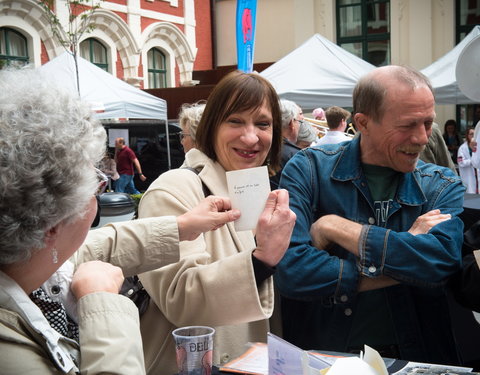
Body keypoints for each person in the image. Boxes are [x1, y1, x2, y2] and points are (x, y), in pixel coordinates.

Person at [0, 67, 241, 374]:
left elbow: (99, 245)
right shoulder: (9, 348)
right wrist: (102, 305)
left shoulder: (29, 258)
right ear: (53, 224)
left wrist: (180, 227)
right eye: (93, 181)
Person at [276, 65, 465, 364]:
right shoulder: (308, 169)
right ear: (363, 122)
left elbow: (440, 262)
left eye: (428, 123)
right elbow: (292, 272)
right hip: (324, 360)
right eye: (407, 125)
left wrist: (336, 228)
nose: (422, 138)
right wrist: (405, 250)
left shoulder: (440, 184)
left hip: (415, 361)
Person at [137, 70, 296, 374]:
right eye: (235, 121)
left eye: (263, 124)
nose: (251, 137)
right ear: (211, 127)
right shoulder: (175, 188)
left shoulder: (259, 191)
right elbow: (180, 298)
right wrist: (262, 260)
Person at [270, 99, 303, 189]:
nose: (300, 126)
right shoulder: (297, 156)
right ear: (291, 123)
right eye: (299, 122)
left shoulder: (263, 148)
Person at [457, 127, 479, 193]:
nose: (473, 136)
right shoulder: (462, 148)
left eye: (475, 134)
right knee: (471, 194)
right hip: (468, 175)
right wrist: (472, 161)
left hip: (477, 174)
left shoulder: (478, 146)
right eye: (471, 134)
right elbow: (461, 162)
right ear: (467, 135)